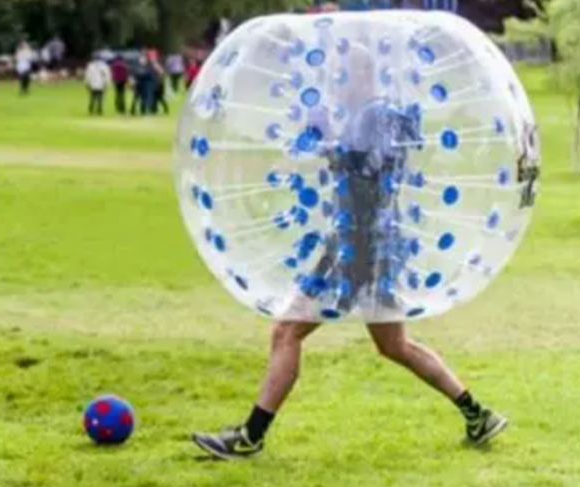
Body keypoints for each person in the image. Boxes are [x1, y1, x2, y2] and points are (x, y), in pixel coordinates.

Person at [191, 42, 508, 460]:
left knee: (286, 331)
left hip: (356, 245)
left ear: (364, 75)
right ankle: (477, 414)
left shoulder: (372, 116)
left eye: (343, 74)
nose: (334, 85)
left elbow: (367, 171)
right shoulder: (382, 115)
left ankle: (251, 436)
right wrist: (330, 144)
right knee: (393, 345)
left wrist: (329, 145)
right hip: (374, 242)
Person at [131, 52, 155, 116]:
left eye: (144, 59)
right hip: (138, 84)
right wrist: (133, 80)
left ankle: (143, 110)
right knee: (136, 97)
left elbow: (151, 75)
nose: (143, 60)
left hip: (146, 84)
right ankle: (133, 110)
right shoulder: (136, 66)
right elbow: (133, 74)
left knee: (145, 98)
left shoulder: (149, 66)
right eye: (141, 59)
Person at [149, 50, 169, 115]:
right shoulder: (153, 64)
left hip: (159, 84)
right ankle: (154, 110)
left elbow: (162, 73)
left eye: (152, 57)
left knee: (159, 98)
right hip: (155, 84)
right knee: (155, 98)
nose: (151, 59)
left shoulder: (156, 64)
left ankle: (165, 109)